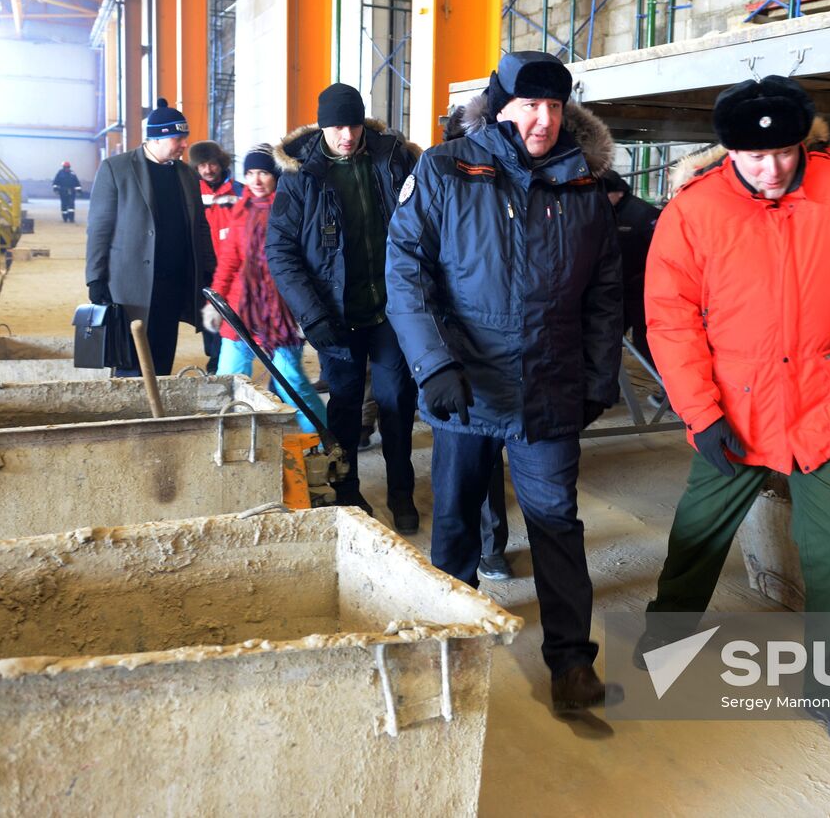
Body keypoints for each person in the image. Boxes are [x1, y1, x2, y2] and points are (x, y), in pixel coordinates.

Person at [639, 76, 830, 753]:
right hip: (736, 402)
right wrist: (700, 412)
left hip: (828, 398)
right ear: (728, 150)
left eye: (786, 153)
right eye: (755, 158)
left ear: (804, 142)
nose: (772, 169)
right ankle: (665, 639)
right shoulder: (694, 212)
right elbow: (670, 319)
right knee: (699, 533)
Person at [387, 51, 624, 712]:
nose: (543, 119)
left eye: (554, 106)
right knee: (457, 525)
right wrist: (433, 365)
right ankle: (449, 642)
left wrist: (599, 378)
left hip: (550, 388)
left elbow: (606, 293)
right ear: (499, 105)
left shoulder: (582, 185)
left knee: (556, 524)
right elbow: (405, 274)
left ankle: (572, 663)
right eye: (529, 104)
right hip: (465, 386)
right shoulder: (443, 171)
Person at [267, 83, 421, 533]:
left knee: (396, 401)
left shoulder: (392, 158)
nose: (347, 135)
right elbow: (281, 250)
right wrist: (311, 314)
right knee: (347, 404)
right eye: (336, 127)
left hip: (392, 309)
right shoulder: (301, 175)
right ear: (322, 126)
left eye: (353, 124)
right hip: (335, 314)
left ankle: (401, 489)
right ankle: (348, 486)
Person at [201, 145, 327, 435]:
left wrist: (303, 312)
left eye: (263, 173)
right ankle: (227, 439)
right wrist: (215, 303)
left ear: (276, 176)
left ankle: (323, 441)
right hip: (239, 311)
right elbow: (230, 262)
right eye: (250, 173)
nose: (256, 180)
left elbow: (307, 266)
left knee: (292, 384)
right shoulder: (240, 213)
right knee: (228, 381)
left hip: (280, 314)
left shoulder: (292, 212)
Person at [85, 98, 215, 377]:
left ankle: (156, 412)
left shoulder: (187, 174)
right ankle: (134, 413)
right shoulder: (116, 169)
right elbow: (99, 228)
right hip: (130, 285)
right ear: (157, 138)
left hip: (173, 284)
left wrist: (207, 267)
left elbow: (200, 225)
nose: (184, 146)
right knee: (131, 359)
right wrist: (95, 278)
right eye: (179, 139)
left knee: (163, 353)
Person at [189, 140, 242, 374]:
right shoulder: (191, 192)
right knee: (206, 314)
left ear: (221, 162)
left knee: (226, 315)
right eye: (201, 166)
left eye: (211, 164)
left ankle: (217, 362)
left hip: (229, 267)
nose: (208, 170)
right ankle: (213, 355)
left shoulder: (238, 192)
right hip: (202, 267)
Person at [605, 170, 660, 365]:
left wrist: (645, 279)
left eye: (605, 194)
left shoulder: (644, 214)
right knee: (608, 338)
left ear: (619, 192)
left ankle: (665, 386)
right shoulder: (604, 212)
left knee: (645, 341)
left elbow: (663, 253)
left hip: (643, 290)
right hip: (617, 290)